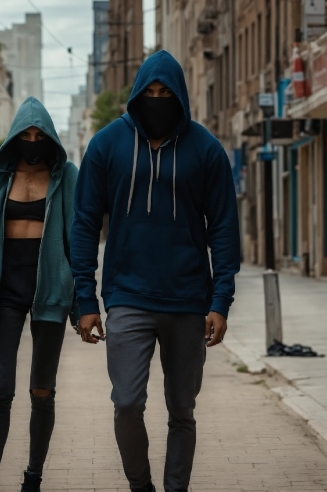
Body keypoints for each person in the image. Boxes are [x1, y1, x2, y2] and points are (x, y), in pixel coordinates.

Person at [70, 50, 240, 492]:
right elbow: (85, 223)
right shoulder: (107, 145)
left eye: (166, 92)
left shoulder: (205, 149)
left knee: (182, 410)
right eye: (150, 92)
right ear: (137, 95)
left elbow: (223, 228)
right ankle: (141, 485)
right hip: (126, 296)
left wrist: (221, 301)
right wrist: (85, 299)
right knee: (126, 403)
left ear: (180, 95)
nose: (158, 99)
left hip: (188, 300)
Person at [0, 97, 78, 492]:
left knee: (42, 391)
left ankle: (33, 477)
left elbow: (78, 241)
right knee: (1, 391)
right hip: (5, 295)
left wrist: (81, 301)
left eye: (39, 134)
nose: (32, 141)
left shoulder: (68, 177)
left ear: (50, 138)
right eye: (26, 134)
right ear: (14, 137)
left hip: (50, 292)